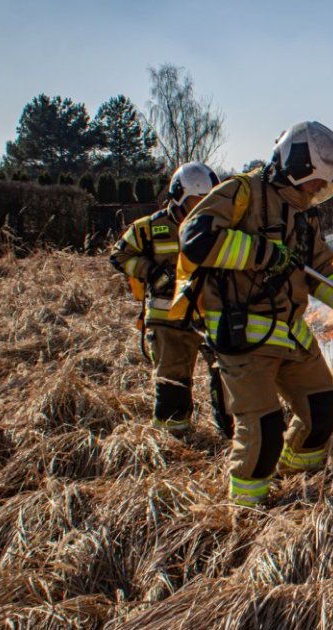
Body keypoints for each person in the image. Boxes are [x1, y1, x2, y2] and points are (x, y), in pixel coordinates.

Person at [178, 121, 333, 508]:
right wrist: (264, 253)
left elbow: (322, 275)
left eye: (323, 187)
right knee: (263, 429)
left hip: (290, 334)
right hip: (242, 333)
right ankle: (247, 511)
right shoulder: (240, 192)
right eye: (314, 183)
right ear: (293, 167)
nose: (317, 193)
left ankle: (297, 484)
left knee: (323, 408)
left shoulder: (304, 217)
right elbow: (196, 239)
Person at [109, 162, 233, 436]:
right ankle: (173, 438)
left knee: (228, 375)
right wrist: (151, 272)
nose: (201, 207)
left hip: (210, 315)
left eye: (208, 200)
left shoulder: (217, 227)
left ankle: (232, 433)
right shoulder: (150, 228)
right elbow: (119, 255)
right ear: (177, 196)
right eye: (196, 201)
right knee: (172, 382)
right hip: (168, 321)